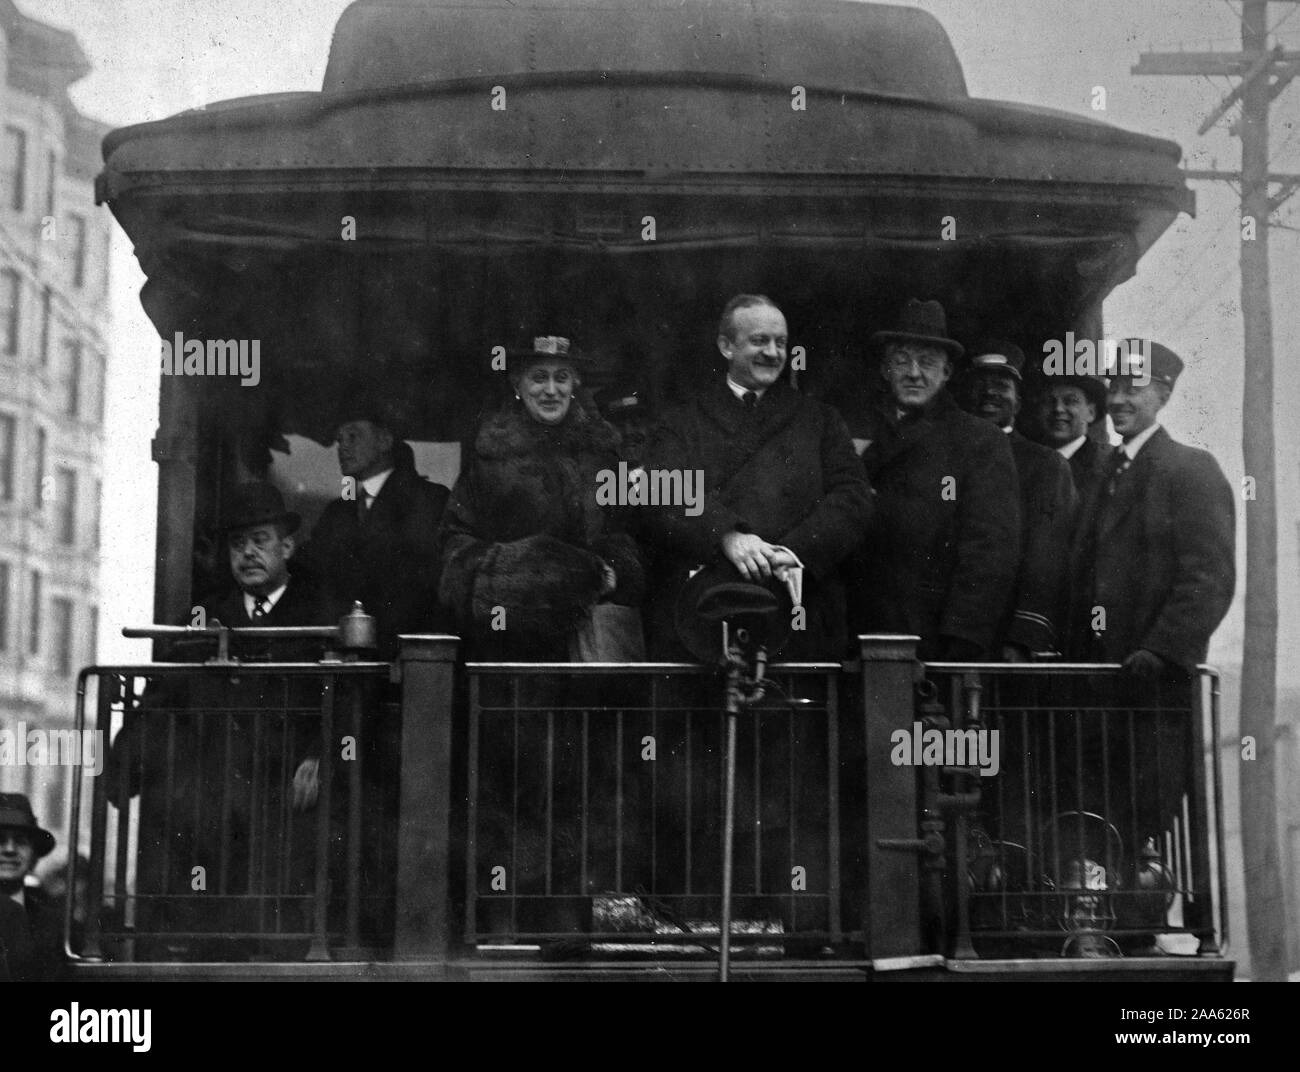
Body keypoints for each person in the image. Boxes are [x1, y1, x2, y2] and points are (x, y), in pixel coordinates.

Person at [107, 482, 332, 959]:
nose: (247, 553)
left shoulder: (320, 612)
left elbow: (351, 699)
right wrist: (123, 765)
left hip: (285, 792)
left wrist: (321, 755)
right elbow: (164, 694)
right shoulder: (206, 615)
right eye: (237, 544)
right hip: (218, 799)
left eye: (260, 540)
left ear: (287, 546)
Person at [639, 295, 872, 662]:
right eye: (759, 341)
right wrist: (726, 535)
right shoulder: (682, 423)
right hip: (702, 613)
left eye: (780, 342)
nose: (773, 352)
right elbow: (660, 488)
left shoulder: (820, 421)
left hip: (797, 606)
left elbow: (854, 497)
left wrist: (795, 551)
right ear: (726, 346)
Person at [438, 335, 645, 661]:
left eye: (561, 378)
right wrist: (535, 573)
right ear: (517, 384)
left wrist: (612, 573)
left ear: (575, 384)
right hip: (512, 644)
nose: (551, 390)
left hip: (592, 642)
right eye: (539, 377)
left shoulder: (602, 456)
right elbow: (456, 553)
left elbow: (628, 533)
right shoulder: (489, 458)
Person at [849, 300, 1020, 660]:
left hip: (934, 641)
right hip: (857, 633)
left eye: (927, 362)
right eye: (902, 360)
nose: (914, 373)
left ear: (946, 373)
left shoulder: (979, 441)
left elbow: (990, 551)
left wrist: (962, 642)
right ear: (884, 369)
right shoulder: (852, 435)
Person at [1066, 342, 1235, 675]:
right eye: (1113, 388)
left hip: (1150, 677)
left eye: (1131, 390)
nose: (1116, 401)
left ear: (1164, 396)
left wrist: (1161, 651)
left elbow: (1209, 577)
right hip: (1088, 671)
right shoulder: (1097, 472)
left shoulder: (1190, 469)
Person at [298, 395, 450, 659]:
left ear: (384, 441)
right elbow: (309, 571)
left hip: (408, 658)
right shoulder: (337, 513)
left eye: (353, 436)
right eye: (339, 440)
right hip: (346, 660)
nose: (343, 447)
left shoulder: (429, 501)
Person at [961, 343, 1076, 657]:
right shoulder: (947, 455)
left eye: (1001, 385)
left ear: (1019, 402)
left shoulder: (1045, 464)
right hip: (950, 633)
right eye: (980, 385)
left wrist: (1025, 633)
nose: (990, 393)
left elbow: (1047, 555)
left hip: (1004, 637)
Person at [0, 794, 64, 980]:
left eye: (20, 841)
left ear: (34, 858)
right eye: (0, 840)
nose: (10, 849)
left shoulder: (52, 922)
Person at [1034, 373, 1113, 503]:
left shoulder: (1108, 464)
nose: (1058, 409)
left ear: (1091, 413)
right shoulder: (1028, 459)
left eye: (1070, 401)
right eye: (1050, 401)